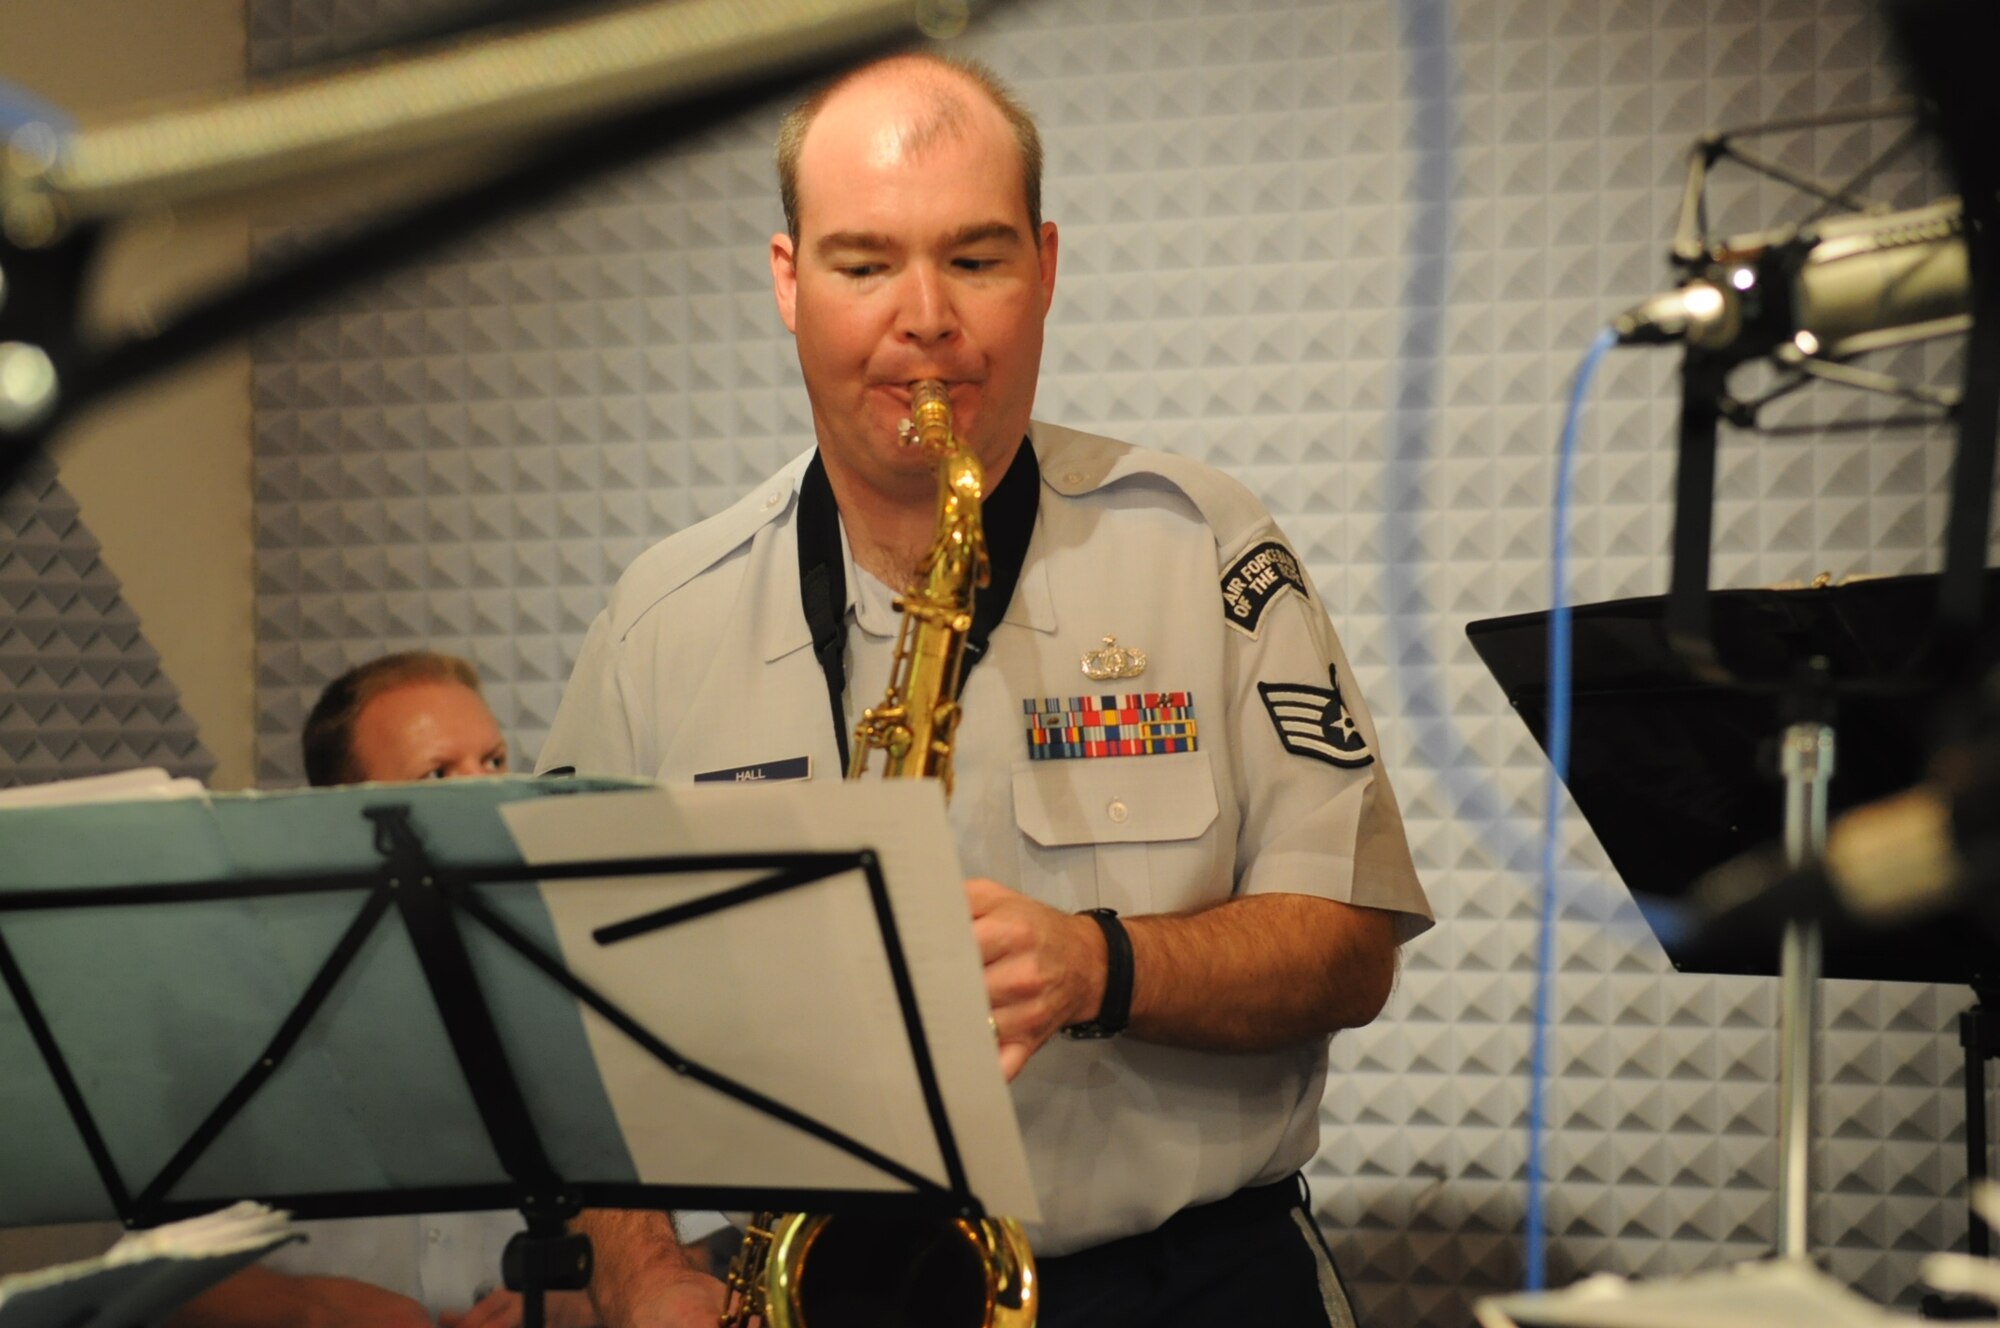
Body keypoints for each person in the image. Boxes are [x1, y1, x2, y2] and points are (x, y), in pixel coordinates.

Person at [538, 52, 1433, 1328]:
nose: (924, 319)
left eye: (974, 258)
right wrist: (634, 1270)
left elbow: (1349, 946)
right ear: (788, 281)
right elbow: (563, 1012)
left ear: (1045, 266)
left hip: (1181, 1289)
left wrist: (1097, 964)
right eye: (862, 263)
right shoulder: (659, 620)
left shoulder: (1205, 543)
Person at [171, 652, 592, 1328]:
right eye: (439, 774)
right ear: (343, 815)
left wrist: (585, 1297)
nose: (487, 793)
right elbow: (156, 1270)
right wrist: (307, 1308)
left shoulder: (585, 984)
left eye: (493, 761)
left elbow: (685, 1242)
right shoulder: (242, 1009)